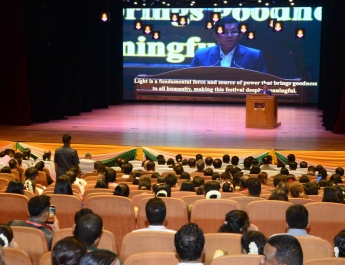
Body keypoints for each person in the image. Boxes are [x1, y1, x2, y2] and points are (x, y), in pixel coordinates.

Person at [191, 17, 267, 73]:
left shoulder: (254, 55)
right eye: (225, 32)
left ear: (240, 35)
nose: (229, 35)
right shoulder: (201, 55)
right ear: (216, 36)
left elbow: (264, 83)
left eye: (234, 31)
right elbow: (189, 81)